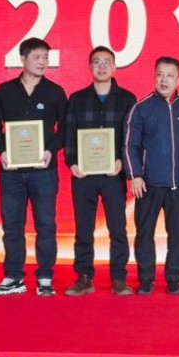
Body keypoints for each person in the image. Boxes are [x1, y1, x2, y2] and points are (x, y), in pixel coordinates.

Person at [0, 36, 68, 296]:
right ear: (23, 59)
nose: (43, 62)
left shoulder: (55, 92)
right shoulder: (5, 91)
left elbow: (66, 128)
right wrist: (2, 151)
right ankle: (13, 277)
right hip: (11, 172)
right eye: (37, 57)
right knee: (12, 224)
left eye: (46, 58)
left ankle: (45, 278)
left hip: (44, 172)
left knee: (46, 224)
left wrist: (50, 150)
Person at [64, 46, 137, 295]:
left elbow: (131, 137)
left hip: (113, 175)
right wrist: (72, 162)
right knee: (83, 229)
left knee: (117, 229)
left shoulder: (127, 99)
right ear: (90, 67)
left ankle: (119, 278)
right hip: (83, 175)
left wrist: (122, 161)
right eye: (97, 62)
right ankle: (84, 277)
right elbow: (69, 133)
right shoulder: (76, 99)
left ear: (114, 67)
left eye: (107, 62)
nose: (102, 66)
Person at [126, 56, 179, 295]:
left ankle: (174, 279)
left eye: (170, 76)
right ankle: (146, 280)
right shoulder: (141, 108)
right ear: (154, 77)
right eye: (160, 75)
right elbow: (130, 145)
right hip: (148, 184)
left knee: (178, 235)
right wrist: (135, 175)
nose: (164, 80)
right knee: (144, 233)